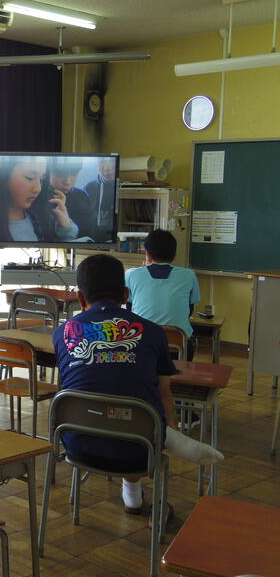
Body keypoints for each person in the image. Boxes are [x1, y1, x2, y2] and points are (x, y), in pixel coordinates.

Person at [53, 254, 221, 515]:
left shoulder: (62, 333)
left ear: (80, 298)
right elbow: (164, 393)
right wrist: (171, 427)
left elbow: (73, 386)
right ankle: (135, 490)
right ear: (125, 294)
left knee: (103, 400)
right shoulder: (153, 332)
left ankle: (132, 494)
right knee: (135, 413)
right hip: (138, 450)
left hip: (76, 442)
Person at [0, 156, 78, 243]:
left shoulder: (40, 215)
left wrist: (65, 226)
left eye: (41, 179)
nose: (38, 189)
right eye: (30, 178)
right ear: (2, 176)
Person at [125, 229, 201, 360]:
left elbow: (129, 310)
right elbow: (189, 310)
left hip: (141, 344)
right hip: (178, 345)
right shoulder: (189, 275)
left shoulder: (132, 274)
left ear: (147, 254)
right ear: (174, 255)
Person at [33, 156, 94, 240]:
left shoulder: (82, 197)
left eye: (73, 174)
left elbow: (88, 236)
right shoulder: (35, 195)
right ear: (47, 173)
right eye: (60, 175)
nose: (67, 182)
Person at [84, 157, 117, 242]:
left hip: (116, 239)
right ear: (97, 165)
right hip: (93, 240)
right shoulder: (89, 188)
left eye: (112, 161)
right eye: (102, 161)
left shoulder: (121, 188)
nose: (107, 167)